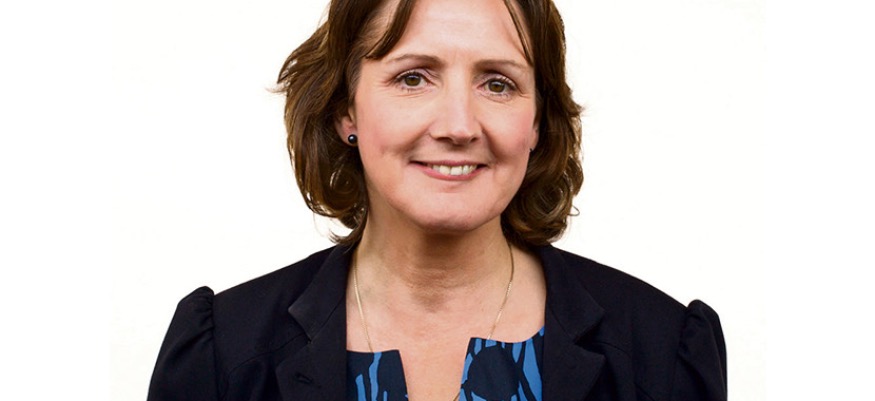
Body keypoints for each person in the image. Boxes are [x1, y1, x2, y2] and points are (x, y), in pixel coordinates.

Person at [147, 0, 727, 400]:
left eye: (497, 83)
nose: (458, 125)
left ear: (537, 122)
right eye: (413, 77)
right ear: (346, 110)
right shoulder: (222, 353)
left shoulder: (662, 352)